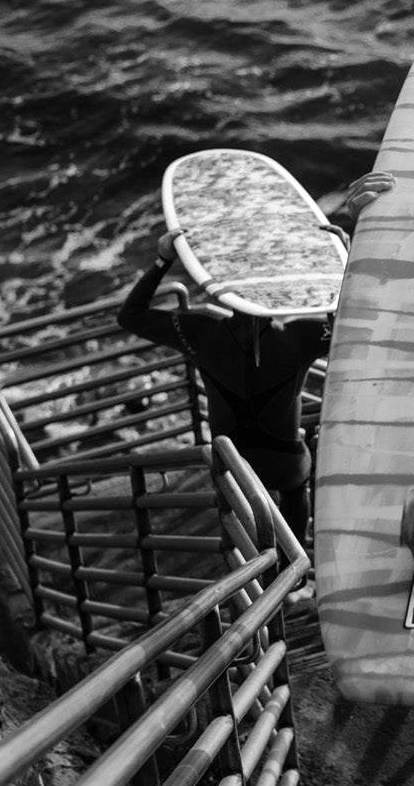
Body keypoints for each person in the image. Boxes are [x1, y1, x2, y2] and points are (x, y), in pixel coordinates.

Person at [117, 170, 395, 538]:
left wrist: (162, 261)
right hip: (285, 463)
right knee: (297, 485)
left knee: (239, 513)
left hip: (234, 465)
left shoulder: (200, 332)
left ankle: (252, 569)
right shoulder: (301, 336)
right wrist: (341, 263)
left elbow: (130, 315)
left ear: (225, 285)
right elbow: (357, 320)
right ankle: (291, 574)